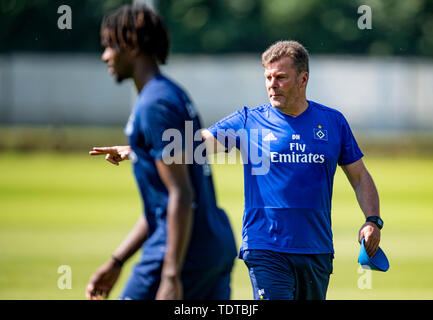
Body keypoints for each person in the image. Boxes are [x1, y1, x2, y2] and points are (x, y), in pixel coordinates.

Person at [201, 40, 383, 300]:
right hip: (266, 247)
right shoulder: (248, 121)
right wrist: (142, 149)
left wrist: (373, 221)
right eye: (268, 77)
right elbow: (196, 144)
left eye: (281, 77)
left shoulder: (333, 122)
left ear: (303, 78)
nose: (272, 84)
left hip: (316, 250)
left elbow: (359, 176)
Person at [85, 4, 237, 300]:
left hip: (183, 253)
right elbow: (164, 202)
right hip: (210, 244)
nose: (105, 56)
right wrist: (118, 261)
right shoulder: (170, 94)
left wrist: (170, 276)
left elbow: (181, 194)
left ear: (131, 45)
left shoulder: (156, 104)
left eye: (109, 45)